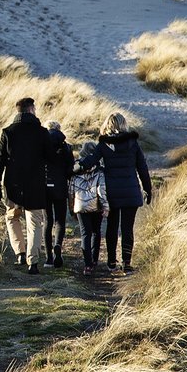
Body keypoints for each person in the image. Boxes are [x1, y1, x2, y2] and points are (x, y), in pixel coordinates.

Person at [78, 112, 152, 273]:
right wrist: (148, 189)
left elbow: (91, 160)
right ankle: (127, 262)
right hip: (131, 191)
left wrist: (77, 166)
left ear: (108, 125)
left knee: (111, 227)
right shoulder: (133, 143)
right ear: (124, 124)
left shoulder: (104, 144)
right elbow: (142, 168)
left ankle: (111, 262)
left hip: (111, 192)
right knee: (127, 228)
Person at [0, 96, 51, 274]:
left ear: (18, 111)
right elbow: (50, 157)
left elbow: (0, 160)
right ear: (31, 110)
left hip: (13, 184)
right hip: (35, 184)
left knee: (12, 218)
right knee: (34, 222)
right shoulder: (41, 132)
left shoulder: (8, 132)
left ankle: (20, 253)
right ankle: (33, 262)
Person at [69, 140, 109, 275]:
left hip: (80, 204)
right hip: (95, 205)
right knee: (96, 232)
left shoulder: (75, 169)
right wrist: (106, 206)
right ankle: (94, 260)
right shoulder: (99, 170)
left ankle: (87, 265)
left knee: (85, 233)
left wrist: (71, 208)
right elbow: (101, 190)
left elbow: (71, 190)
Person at [43, 121, 74, 268]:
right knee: (60, 220)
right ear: (59, 130)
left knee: (47, 221)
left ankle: (48, 257)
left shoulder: (41, 145)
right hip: (60, 186)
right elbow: (70, 170)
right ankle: (58, 247)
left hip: (44, 187)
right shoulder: (66, 147)